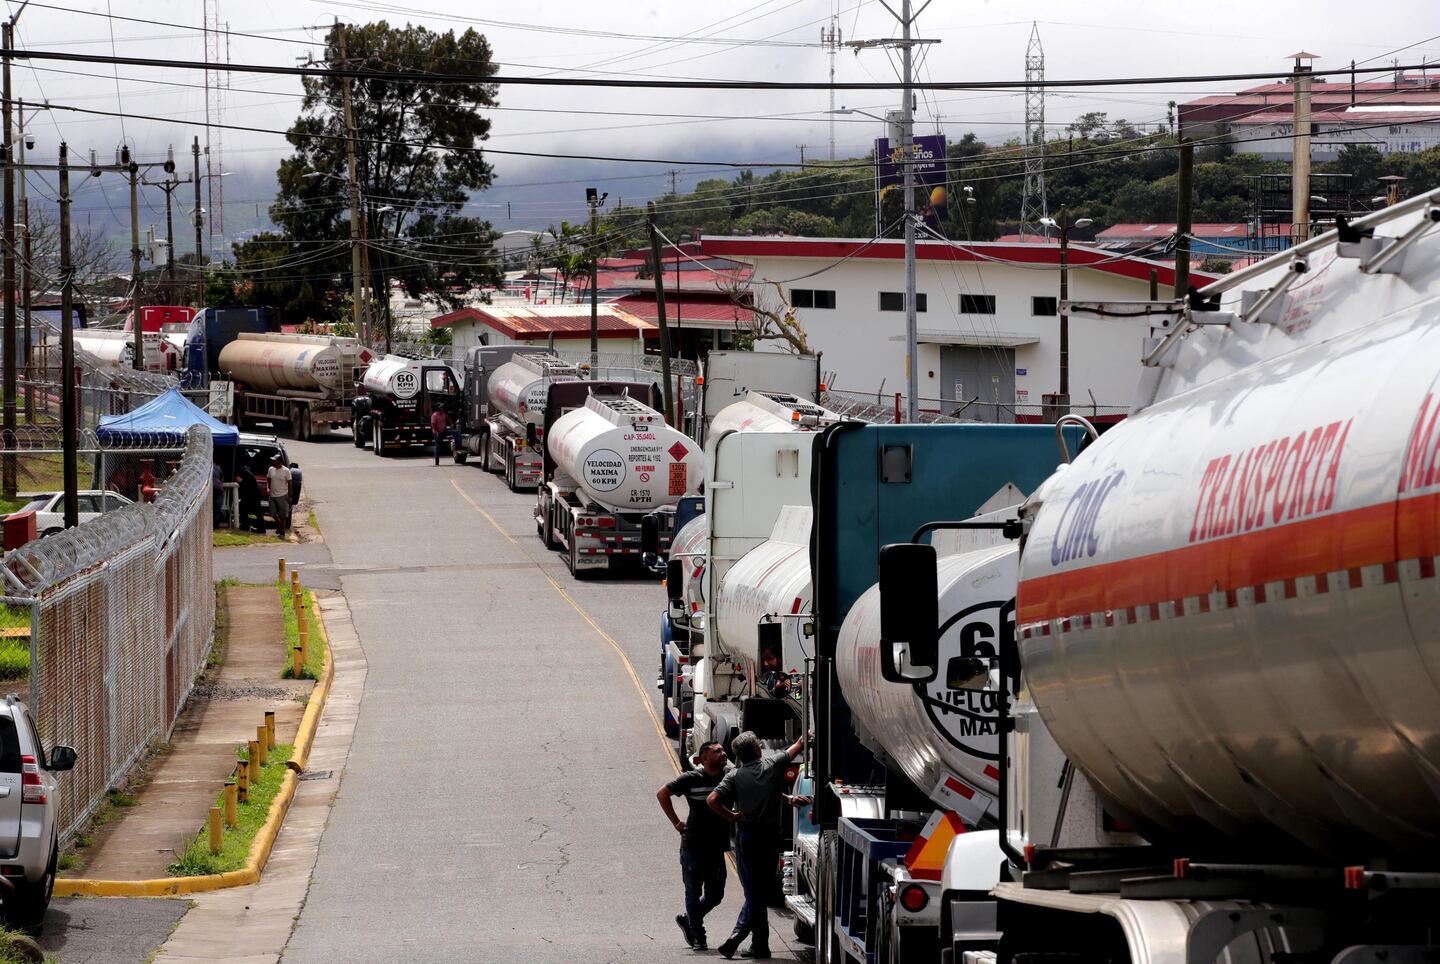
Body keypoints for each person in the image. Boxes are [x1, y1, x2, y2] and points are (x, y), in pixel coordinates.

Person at [707, 731, 807, 960]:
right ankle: (748, 941)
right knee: (758, 890)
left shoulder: (734, 776)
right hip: (770, 836)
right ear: (758, 750)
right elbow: (798, 745)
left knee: (754, 891)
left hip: (748, 837)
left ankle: (748, 941)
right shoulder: (772, 764)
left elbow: (712, 800)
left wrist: (731, 816)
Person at [657, 742, 731, 951]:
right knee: (693, 891)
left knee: (716, 895)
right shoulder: (691, 778)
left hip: (717, 847)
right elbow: (662, 793)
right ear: (703, 759)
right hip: (693, 846)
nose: (723, 753)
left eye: (722, 750)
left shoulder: (729, 777)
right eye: (716, 751)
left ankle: (689, 919)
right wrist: (676, 822)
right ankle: (698, 936)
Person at [266, 456, 293, 536]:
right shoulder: (271, 469)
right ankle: (279, 526)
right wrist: (268, 488)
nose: (273, 462)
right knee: (272, 514)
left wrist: (290, 496)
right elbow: (268, 479)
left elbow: (290, 483)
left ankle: (282, 531)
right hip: (272, 495)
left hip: (283, 495)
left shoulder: (286, 471)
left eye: (275, 461)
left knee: (283, 515)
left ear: (280, 462)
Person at [237, 466, 265, 533]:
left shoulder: (245, 474)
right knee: (255, 512)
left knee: (248, 510)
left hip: (251, 497)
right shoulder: (249, 475)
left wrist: (240, 482)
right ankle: (259, 528)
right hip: (253, 496)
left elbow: (244, 485)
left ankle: (246, 526)